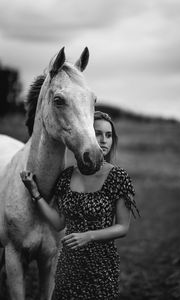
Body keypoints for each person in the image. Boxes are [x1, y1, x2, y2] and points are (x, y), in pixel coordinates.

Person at [20, 111, 139, 300]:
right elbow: (59, 223)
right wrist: (35, 193)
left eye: (108, 135)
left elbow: (123, 227)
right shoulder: (66, 177)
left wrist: (89, 236)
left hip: (101, 268)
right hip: (68, 267)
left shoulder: (118, 177)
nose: (104, 140)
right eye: (98, 133)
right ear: (86, 133)